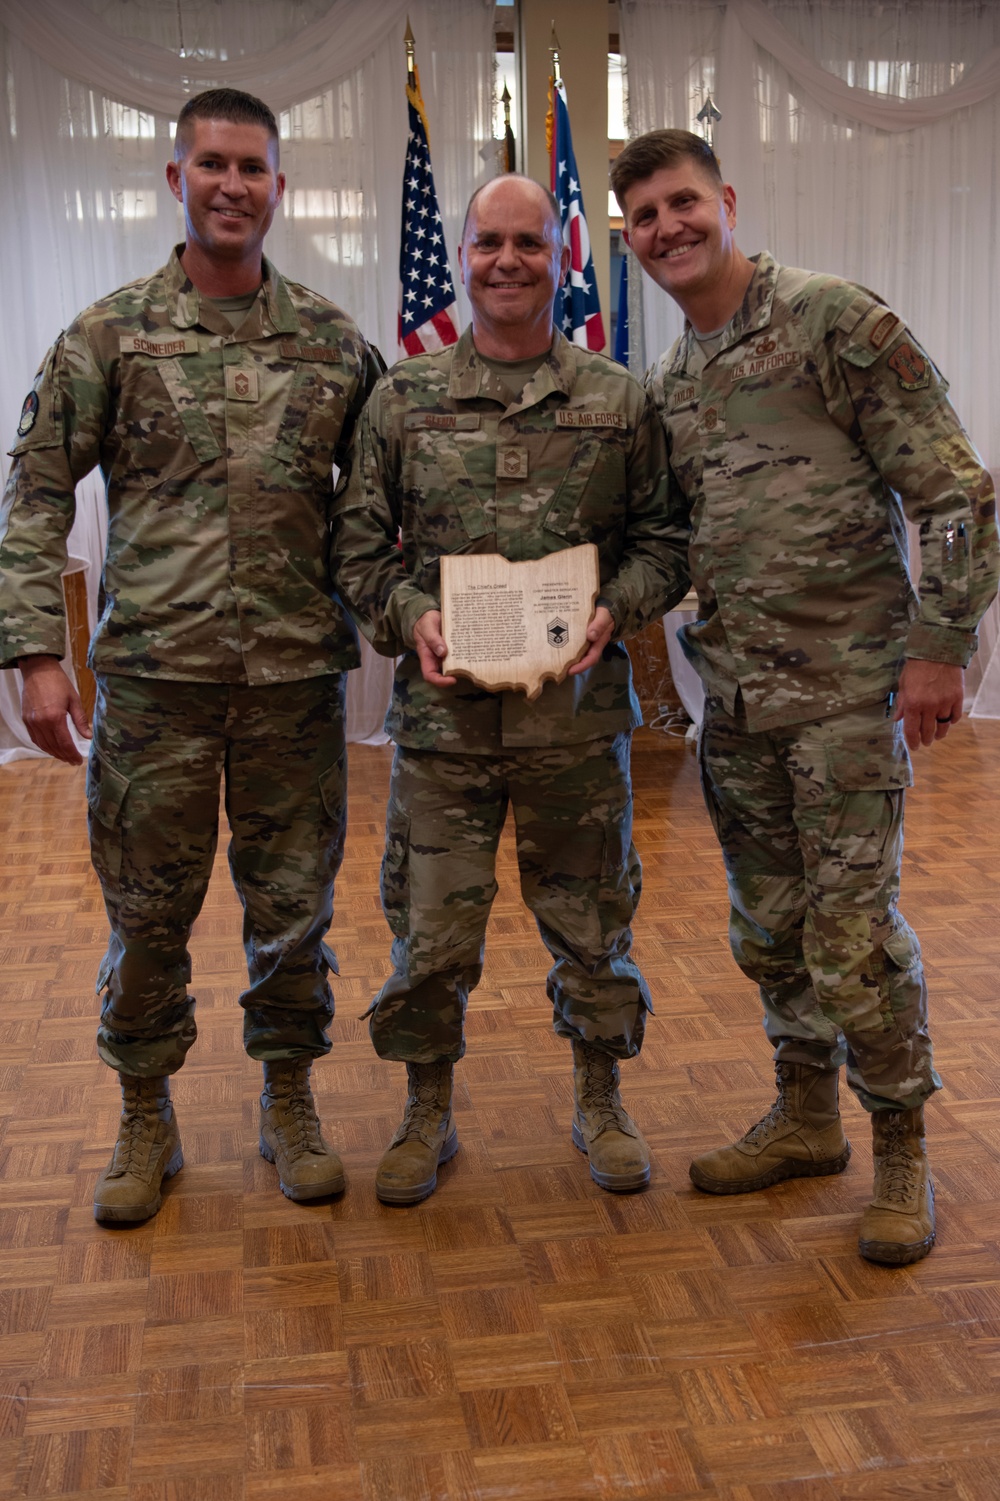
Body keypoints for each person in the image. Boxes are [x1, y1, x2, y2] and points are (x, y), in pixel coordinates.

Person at [611, 129, 999, 1264]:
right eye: (644, 218)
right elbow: (681, 542)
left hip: (845, 699)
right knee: (769, 930)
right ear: (630, 241)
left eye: (682, 203)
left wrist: (940, 646)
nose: (668, 228)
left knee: (851, 936)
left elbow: (957, 495)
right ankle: (805, 1115)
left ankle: (901, 1153)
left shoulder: (834, 321)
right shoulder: (674, 380)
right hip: (735, 703)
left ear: (724, 201)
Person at [0, 89, 382, 1223]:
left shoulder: (332, 345)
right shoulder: (107, 336)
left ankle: (289, 1099)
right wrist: (34, 652)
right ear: (177, 179)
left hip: (294, 693)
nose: (231, 185)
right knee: (147, 913)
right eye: (211, 164)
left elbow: (381, 511)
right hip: (156, 688)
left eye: (252, 168)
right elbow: (32, 498)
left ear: (279, 186)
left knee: (293, 909)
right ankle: (143, 1112)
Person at [333, 174, 689, 1206]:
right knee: (432, 930)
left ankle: (600, 1099)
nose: (506, 261)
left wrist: (614, 608)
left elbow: (666, 543)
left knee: (592, 925)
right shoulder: (401, 400)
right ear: (463, 253)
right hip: (444, 726)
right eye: (488, 241)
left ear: (560, 256)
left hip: (574, 727)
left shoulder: (618, 402)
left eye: (528, 243)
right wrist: (411, 621)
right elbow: (358, 551)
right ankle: (426, 1111)